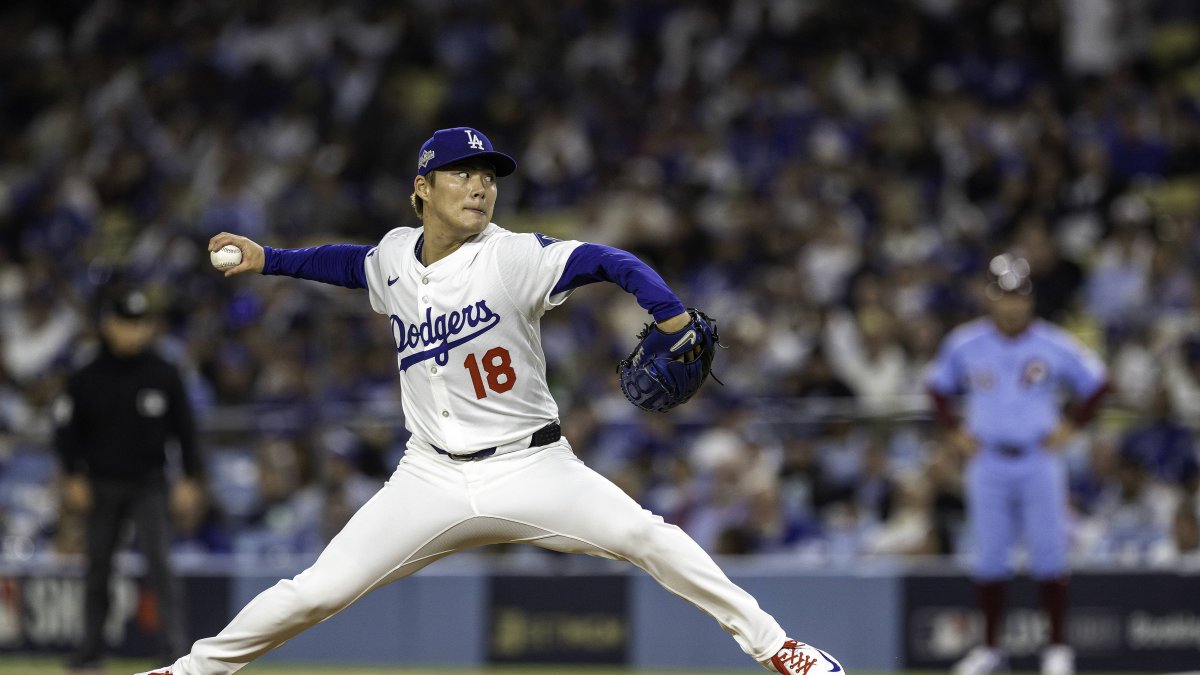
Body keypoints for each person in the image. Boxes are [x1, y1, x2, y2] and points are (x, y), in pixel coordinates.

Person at [136, 127, 842, 675]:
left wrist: (670, 313)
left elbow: (607, 258)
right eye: (462, 173)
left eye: (488, 175)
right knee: (316, 590)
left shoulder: (511, 255)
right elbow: (354, 265)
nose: (480, 186)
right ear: (423, 188)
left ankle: (782, 650)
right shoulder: (395, 256)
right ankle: (189, 668)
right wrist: (272, 258)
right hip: (429, 475)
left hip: (532, 467)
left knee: (648, 537)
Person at [926, 254, 1110, 675]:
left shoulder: (1053, 342)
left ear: (1030, 299)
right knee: (990, 557)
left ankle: (1057, 649)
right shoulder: (965, 342)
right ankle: (991, 649)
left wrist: (1071, 425)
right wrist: (954, 431)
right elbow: (937, 389)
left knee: (1050, 554)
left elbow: (1098, 384)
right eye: (1004, 295)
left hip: (1038, 457)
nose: (1012, 305)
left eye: (1019, 296)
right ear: (991, 298)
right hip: (988, 459)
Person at [55, 285, 205, 671]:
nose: (133, 331)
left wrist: (190, 478)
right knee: (98, 569)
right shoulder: (87, 375)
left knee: (160, 566)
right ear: (108, 324)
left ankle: (174, 650)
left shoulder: (164, 372)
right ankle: (91, 650)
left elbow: (186, 430)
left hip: (150, 483)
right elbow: (67, 432)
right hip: (101, 483)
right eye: (125, 322)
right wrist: (72, 476)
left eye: (139, 323)